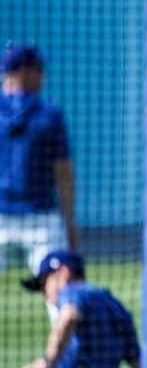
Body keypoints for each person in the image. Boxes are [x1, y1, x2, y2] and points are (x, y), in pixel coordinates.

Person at [0, 250, 140, 368]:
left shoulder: (74, 291)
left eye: (44, 285)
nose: (44, 295)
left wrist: (48, 363)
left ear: (63, 274)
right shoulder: (119, 311)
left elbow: (69, 315)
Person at [0, 43, 78, 277]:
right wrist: (70, 221)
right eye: (39, 69)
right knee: (61, 291)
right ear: (24, 71)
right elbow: (63, 172)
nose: (42, 76)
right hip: (41, 218)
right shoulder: (49, 115)